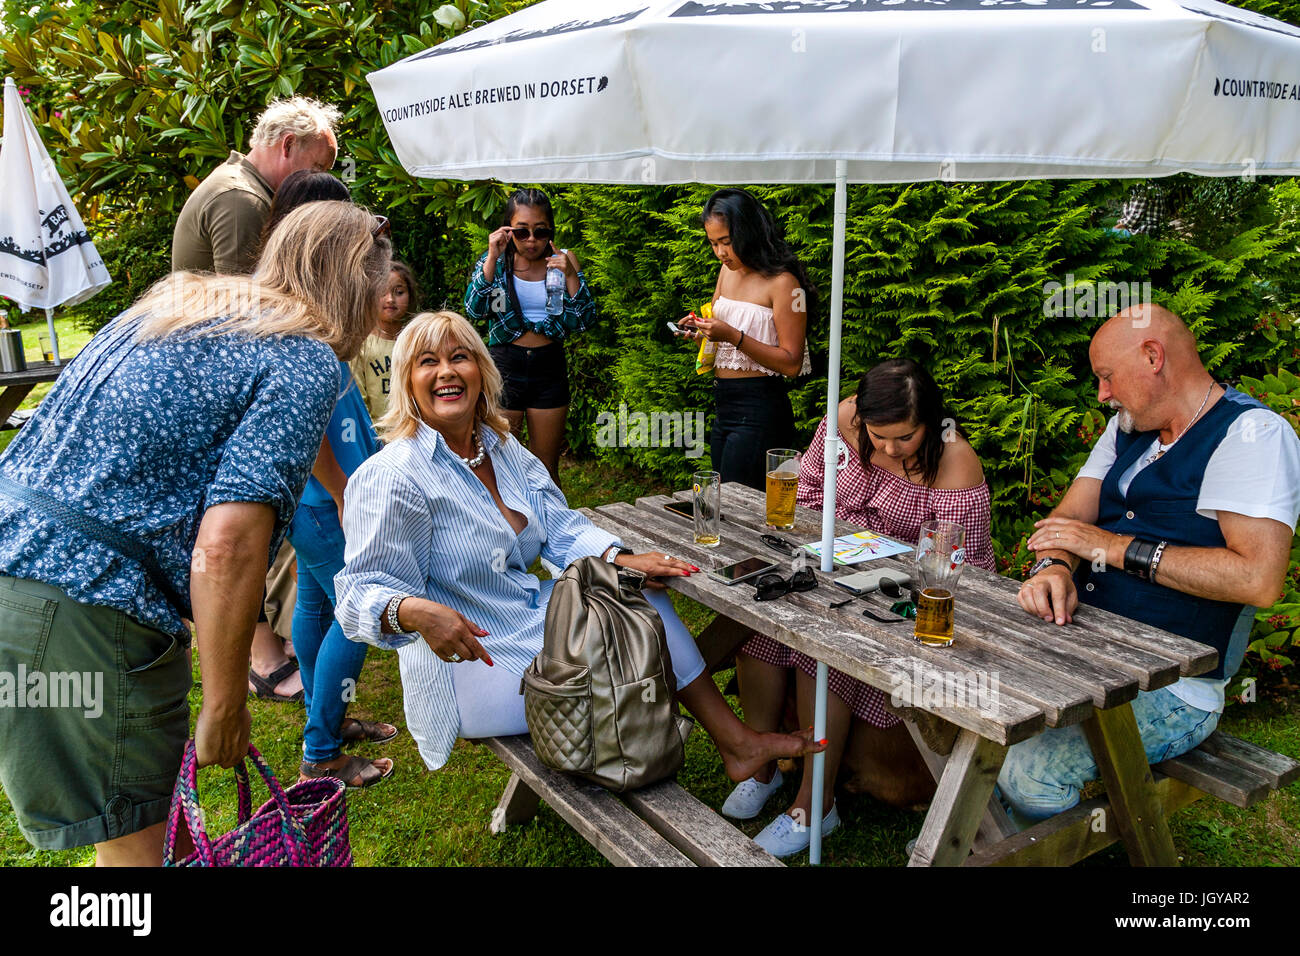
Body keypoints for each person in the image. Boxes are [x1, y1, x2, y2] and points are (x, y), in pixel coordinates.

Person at [0, 201, 391, 865]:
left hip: (18, 563)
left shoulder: (178, 302)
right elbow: (227, 544)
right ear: (357, 284)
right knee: (130, 861)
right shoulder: (302, 359)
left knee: (142, 824)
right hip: (81, 606)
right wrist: (225, 704)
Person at [333, 310, 823, 781]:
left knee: (637, 594)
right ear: (406, 382)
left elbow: (560, 525)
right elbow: (356, 594)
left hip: (528, 614)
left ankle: (732, 741)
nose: (447, 372)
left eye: (459, 357)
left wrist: (618, 559)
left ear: (481, 371)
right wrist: (411, 611)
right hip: (475, 662)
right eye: (427, 362)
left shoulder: (499, 446)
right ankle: (649, 728)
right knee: (624, 648)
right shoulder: (392, 476)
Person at [1004, 304, 1300, 823]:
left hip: (1173, 687)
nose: (1102, 394)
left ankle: (1040, 842)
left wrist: (1113, 547)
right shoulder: (1126, 427)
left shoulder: (1252, 435)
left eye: (1105, 377)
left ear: (1153, 356)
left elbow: (1258, 580)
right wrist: (1051, 565)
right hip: (1082, 642)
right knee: (966, 700)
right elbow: (1069, 517)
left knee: (1023, 770)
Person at [726, 359, 997, 856]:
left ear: (932, 422)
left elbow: (966, 569)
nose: (889, 448)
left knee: (822, 650)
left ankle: (814, 805)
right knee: (761, 631)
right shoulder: (844, 419)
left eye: (905, 437)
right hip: (828, 568)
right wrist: (837, 539)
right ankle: (765, 767)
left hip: (898, 601)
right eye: (879, 435)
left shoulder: (955, 462)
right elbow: (806, 492)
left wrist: (886, 556)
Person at [252, 177, 399, 789]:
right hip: (324, 503)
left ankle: (326, 716)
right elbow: (309, 434)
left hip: (314, 504)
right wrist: (344, 494)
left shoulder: (304, 318)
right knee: (359, 612)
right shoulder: (305, 336)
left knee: (314, 605)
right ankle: (321, 751)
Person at [674, 187, 814, 490]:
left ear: (748, 232)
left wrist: (733, 336)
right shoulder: (726, 273)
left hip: (760, 408)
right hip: (723, 403)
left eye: (726, 241)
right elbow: (719, 341)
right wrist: (701, 334)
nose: (721, 253)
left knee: (736, 502)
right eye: (713, 243)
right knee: (723, 499)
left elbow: (791, 363)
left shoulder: (785, 283)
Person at [463, 188, 596, 487]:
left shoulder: (564, 260)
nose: (532, 240)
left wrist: (572, 275)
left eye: (540, 231)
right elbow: (474, 309)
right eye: (521, 232)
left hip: (549, 367)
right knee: (498, 465)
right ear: (507, 230)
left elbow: (584, 320)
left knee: (546, 468)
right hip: (504, 366)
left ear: (551, 230)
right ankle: (503, 532)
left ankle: (554, 532)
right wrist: (492, 257)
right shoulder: (495, 262)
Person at [172, 96, 341, 275]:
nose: (320, 178)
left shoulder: (245, 186)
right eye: (318, 167)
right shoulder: (240, 199)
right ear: (288, 145)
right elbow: (242, 298)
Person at [351, 261, 419, 422]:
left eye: (399, 292)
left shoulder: (417, 341)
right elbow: (359, 398)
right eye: (382, 292)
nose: (390, 299)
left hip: (415, 432)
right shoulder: (360, 344)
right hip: (378, 436)